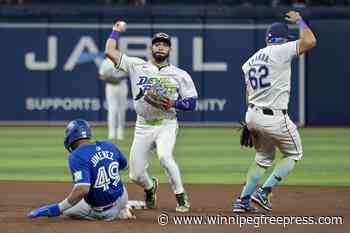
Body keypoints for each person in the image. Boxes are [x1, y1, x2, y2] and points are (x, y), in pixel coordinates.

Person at [105, 21, 198, 213]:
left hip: (167, 123)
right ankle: (150, 187)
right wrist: (115, 31)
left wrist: (174, 103)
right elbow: (110, 52)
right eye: (157, 44)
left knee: (165, 156)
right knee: (135, 174)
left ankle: (181, 197)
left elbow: (192, 103)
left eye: (164, 44)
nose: (160, 47)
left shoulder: (180, 75)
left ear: (170, 49)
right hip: (143, 125)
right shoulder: (136, 65)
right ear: (151, 48)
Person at [233, 10, 317, 213]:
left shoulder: (250, 61)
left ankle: (242, 200)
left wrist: (250, 123)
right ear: (283, 39)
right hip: (274, 117)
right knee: (294, 154)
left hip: (252, 114)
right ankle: (263, 192)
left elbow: (247, 93)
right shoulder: (281, 50)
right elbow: (310, 41)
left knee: (263, 159)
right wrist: (300, 21)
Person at [27, 119, 136, 220]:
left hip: (104, 212)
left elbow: (82, 189)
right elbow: (125, 166)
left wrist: (57, 208)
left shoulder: (76, 155)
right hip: (123, 198)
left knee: (67, 210)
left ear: (71, 137)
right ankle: (123, 208)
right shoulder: (108, 145)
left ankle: (116, 213)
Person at [99, 58, 129, 140]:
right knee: (112, 109)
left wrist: (119, 78)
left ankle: (120, 132)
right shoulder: (106, 62)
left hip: (122, 84)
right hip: (111, 85)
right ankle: (111, 133)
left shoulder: (123, 60)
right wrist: (111, 79)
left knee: (121, 110)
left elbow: (129, 72)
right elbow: (101, 75)